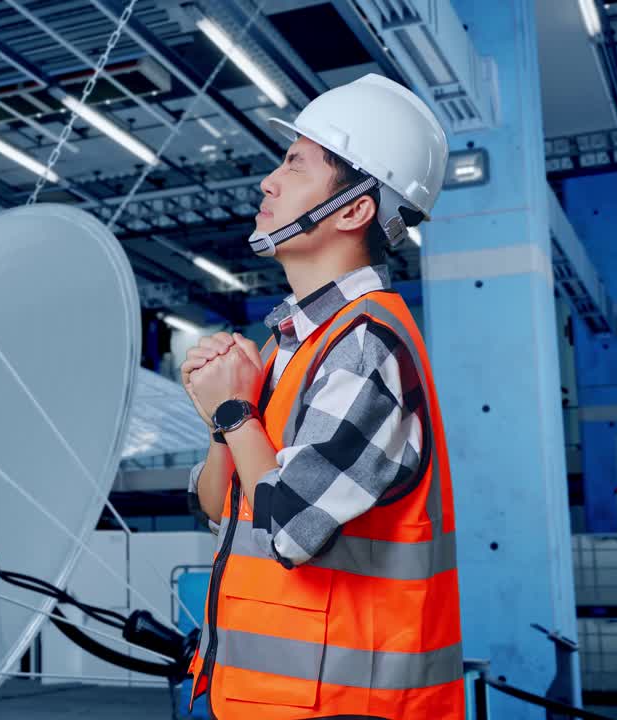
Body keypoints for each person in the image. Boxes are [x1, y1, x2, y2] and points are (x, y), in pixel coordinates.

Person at [180, 74, 463, 719]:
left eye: (295, 164)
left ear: (353, 209)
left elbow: (288, 528)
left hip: (345, 704)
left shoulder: (366, 346)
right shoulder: (293, 344)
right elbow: (213, 503)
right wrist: (225, 411)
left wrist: (234, 411)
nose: (268, 182)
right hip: (272, 700)